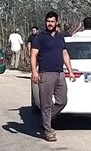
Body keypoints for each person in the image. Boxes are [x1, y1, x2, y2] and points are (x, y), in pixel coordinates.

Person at [30, 11, 75, 142]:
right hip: (46, 74)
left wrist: (70, 71)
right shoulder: (40, 37)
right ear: (45, 22)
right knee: (46, 103)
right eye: (48, 21)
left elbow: (65, 54)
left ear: (56, 22)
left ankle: (45, 120)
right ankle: (48, 130)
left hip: (60, 73)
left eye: (52, 21)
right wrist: (34, 72)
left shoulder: (60, 37)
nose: (50, 24)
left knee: (62, 101)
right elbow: (33, 55)